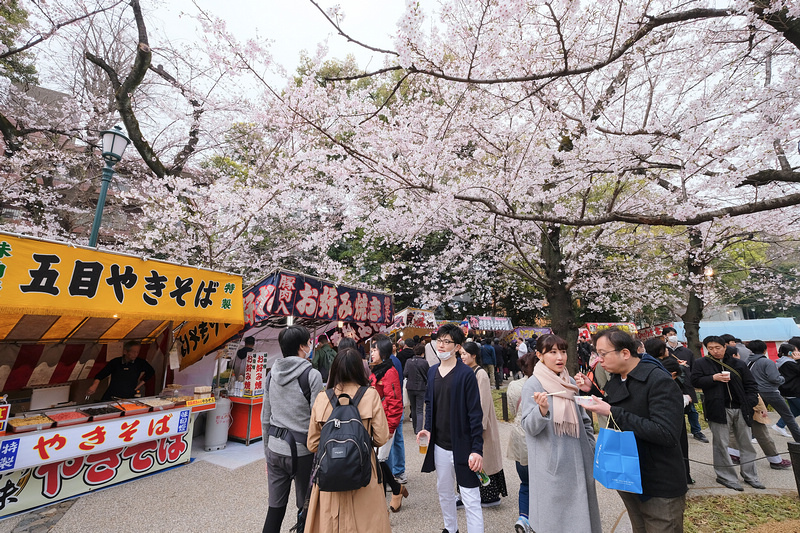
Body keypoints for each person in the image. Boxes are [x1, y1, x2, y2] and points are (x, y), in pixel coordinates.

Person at [579, 328, 687, 532]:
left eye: (603, 354)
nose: (598, 359)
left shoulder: (658, 380)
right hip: (627, 474)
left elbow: (666, 433)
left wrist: (612, 411)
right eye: (597, 354)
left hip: (657, 480)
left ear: (625, 353)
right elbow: (624, 407)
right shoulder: (618, 379)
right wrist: (592, 390)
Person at [303, 348, 392, 533]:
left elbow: (312, 444)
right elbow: (382, 437)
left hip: (330, 476)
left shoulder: (322, 399)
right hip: (364, 473)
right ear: (360, 370)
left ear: (334, 369)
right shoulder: (371, 395)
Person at [520, 334, 601, 533]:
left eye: (563, 352)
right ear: (540, 355)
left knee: (581, 520)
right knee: (556, 523)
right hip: (552, 466)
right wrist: (541, 411)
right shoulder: (534, 384)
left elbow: (583, 419)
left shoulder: (569, 380)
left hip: (579, 462)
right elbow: (528, 427)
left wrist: (590, 449)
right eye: (553, 352)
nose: (560, 357)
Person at [416, 323, 485, 533]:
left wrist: (477, 449)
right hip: (439, 445)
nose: (442, 345)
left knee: (470, 496)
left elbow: (475, 415)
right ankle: (450, 528)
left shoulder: (466, 374)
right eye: (439, 341)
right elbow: (429, 403)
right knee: (444, 492)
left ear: (457, 347)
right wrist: (427, 429)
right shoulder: (432, 372)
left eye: (447, 342)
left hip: (463, 446)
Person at [261, 325, 324, 533]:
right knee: (305, 506)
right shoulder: (311, 375)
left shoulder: (271, 374)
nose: (310, 346)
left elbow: (265, 417)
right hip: (303, 452)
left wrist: (266, 453)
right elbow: (318, 419)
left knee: (275, 507)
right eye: (308, 343)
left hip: (275, 448)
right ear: (301, 347)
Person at [691, 335, 763, 491]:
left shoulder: (738, 364)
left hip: (741, 408)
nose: (714, 351)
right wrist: (713, 378)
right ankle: (726, 476)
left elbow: (751, 384)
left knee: (746, 444)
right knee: (720, 445)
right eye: (710, 348)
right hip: (717, 408)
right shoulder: (701, 363)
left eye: (717, 348)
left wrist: (750, 402)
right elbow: (695, 381)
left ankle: (750, 476)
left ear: (725, 347)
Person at [460, 342, 507, 507]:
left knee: (485, 459)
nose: (462, 357)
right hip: (469, 422)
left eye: (465, 354)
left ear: (474, 355)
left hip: (480, 423)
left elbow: (483, 402)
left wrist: (477, 426)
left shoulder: (481, 374)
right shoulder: (466, 372)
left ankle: (490, 495)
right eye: (461, 354)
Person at [368, 336, 409, 511]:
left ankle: (394, 491)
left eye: (375, 350)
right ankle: (394, 489)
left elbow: (395, 403)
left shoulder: (389, 371)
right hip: (375, 421)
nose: (371, 353)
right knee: (376, 460)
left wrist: (391, 427)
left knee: (379, 459)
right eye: (371, 350)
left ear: (383, 352)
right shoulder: (376, 370)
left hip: (384, 423)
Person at [646, 338, 694, 484]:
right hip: (674, 410)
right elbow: (683, 378)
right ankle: (685, 476)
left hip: (655, 412)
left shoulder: (646, 365)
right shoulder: (669, 364)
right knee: (680, 445)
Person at [746, 339, 800, 443]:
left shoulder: (748, 361)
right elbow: (774, 378)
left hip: (755, 391)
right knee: (787, 415)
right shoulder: (767, 362)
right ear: (765, 350)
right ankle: (798, 438)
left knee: (757, 415)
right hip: (770, 391)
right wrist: (782, 379)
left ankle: (752, 436)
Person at [505, 350, 536, 533]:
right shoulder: (545, 385)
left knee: (525, 483)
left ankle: (523, 517)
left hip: (519, 437)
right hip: (537, 440)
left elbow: (511, 409)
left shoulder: (514, 386)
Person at [663, 326, 708, 444]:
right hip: (670, 383)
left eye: (674, 333)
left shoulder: (686, 351)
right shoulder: (663, 352)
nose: (672, 336)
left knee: (692, 410)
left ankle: (696, 431)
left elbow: (693, 368)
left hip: (687, 384)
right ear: (665, 337)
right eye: (669, 334)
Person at [86, 341, 154, 400]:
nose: (135, 354)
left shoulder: (140, 362)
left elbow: (151, 372)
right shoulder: (115, 362)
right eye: (133, 352)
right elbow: (101, 375)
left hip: (129, 396)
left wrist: (138, 386)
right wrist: (94, 385)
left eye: (137, 352)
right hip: (112, 395)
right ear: (125, 351)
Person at [775, 342, 800, 437]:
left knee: (794, 411)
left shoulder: (783, 362)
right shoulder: (789, 363)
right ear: (790, 353)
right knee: (794, 410)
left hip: (789, 390)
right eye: (796, 351)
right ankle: (779, 425)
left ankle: (779, 425)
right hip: (793, 391)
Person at [404, 342, 430, 434]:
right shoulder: (425, 363)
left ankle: (415, 427)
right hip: (421, 387)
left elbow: (405, 373)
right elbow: (428, 374)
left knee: (413, 408)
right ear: (423, 352)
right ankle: (418, 429)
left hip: (410, 387)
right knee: (419, 409)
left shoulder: (408, 361)